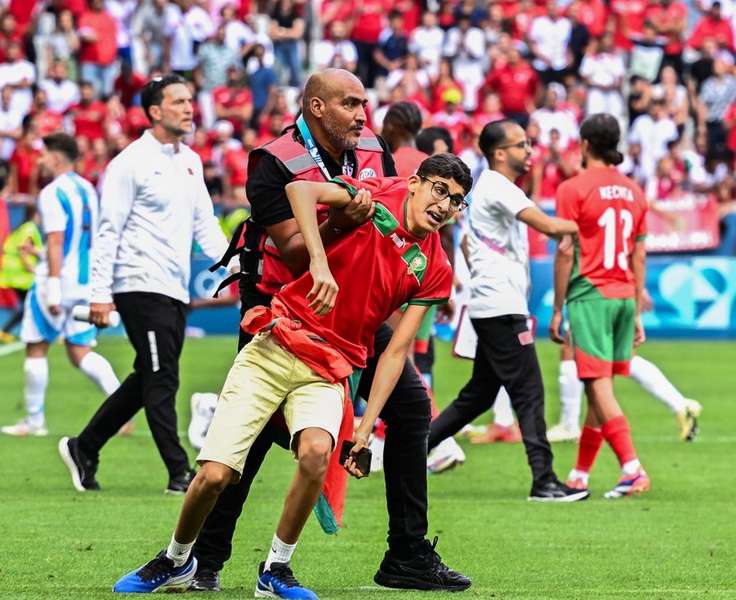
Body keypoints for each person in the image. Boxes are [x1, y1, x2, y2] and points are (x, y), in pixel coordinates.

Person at [112, 155, 473, 598]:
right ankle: (176, 559)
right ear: (416, 183)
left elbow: (396, 352)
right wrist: (318, 263)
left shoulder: (434, 268)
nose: (445, 205)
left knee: (318, 452)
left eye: (456, 201)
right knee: (214, 476)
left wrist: (364, 429)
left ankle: (276, 569)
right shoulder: (374, 193)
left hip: (330, 368)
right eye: (440, 190)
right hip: (277, 344)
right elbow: (299, 190)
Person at [188, 69, 469, 593]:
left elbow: (388, 235)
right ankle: (205, 558)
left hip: (349, 312)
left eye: (363, 103)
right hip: (279, 303)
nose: (363, 114)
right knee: (254, 435)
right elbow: (295, 251)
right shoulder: (272, 159)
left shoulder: (372, 149)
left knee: (410, 406)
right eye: (350, 104)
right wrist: (343, 222)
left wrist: (383, 307)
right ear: (317, 107)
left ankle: (406, 555)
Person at [57, 75, 230, 493]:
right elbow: (108, 230)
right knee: (163, 377)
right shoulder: (129, 163)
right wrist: (100, 293)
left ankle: (84, 447)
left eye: (190, 100)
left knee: (149, 375)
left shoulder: (190, 160)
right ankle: (179, 473)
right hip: (137, 282)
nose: (190, 108)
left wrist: (236, 266)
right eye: (179, 102)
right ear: (155, 111)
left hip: (173, 287)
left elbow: (205, 226)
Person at [427, 119, 587, 502]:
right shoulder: (497, 186)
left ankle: (412, 450)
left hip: (493, 302)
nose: (529, 150)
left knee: (479, 396)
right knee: (529, 390)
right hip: (500, 305)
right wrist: (590, 224)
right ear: (500, 153)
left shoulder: (491, 187)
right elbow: (547, 226)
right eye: (521, 144)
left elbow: (467, 245)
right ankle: (544, 480)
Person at [551, 113, 652, 499]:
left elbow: (564, 251)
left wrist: (558, 309)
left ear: (586, 145)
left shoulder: (573, 188)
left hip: (590, 293)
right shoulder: (634, 191)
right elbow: (639, 256)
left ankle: (632, 468)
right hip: (624, 294)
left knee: (597, 384)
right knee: (600, 387)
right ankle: (580, 473)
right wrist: (638, 307)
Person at [1, 134, 120, 437]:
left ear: (55, 158)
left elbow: (56, 241)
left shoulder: (52, 192)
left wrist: (53, 285)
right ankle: (120, 407)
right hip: (84, 281)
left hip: (54, 281)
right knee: (80, 350)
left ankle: (34, 422)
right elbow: (84, 240)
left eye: (43, 155)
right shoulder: (89, 190)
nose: (39, 161)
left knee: (36, 347)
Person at [0, 204, 42, 342]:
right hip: (22, 275)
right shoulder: (30, 228)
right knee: (29, 305)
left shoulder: (21, 227)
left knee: (27, 305)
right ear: (36, 214)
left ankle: (8, 331)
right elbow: (24, 250)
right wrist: (32, 269)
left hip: (12, 273)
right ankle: (6, 331)